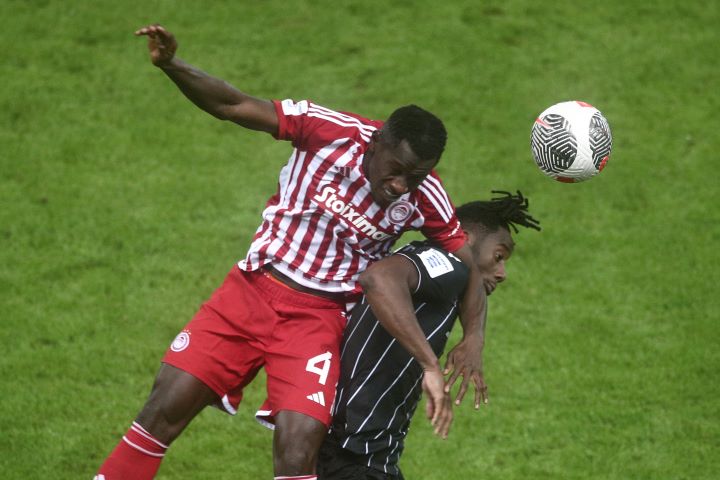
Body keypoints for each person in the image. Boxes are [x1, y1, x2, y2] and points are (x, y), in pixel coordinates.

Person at [94, 25, 487, 480]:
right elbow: (232, 105)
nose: (400, 185)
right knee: (162, 410)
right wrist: (171, 65)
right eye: (396, 170)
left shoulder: (425, 196)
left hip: (318, 322)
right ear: (375, 141)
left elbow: (468, 265)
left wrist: (473, 337)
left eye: (414, 177)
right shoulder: (328, 131)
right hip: (250, 292)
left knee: (299, 450)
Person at [317, 191, 541, 480]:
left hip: (357, 451)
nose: (502, 273)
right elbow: (379, 279)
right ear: (465, 239)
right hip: (356, 455)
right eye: (498, 257)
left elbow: (473, 290)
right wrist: (430, 365)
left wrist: (474, 337)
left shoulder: (443, 268)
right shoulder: (447, 264)